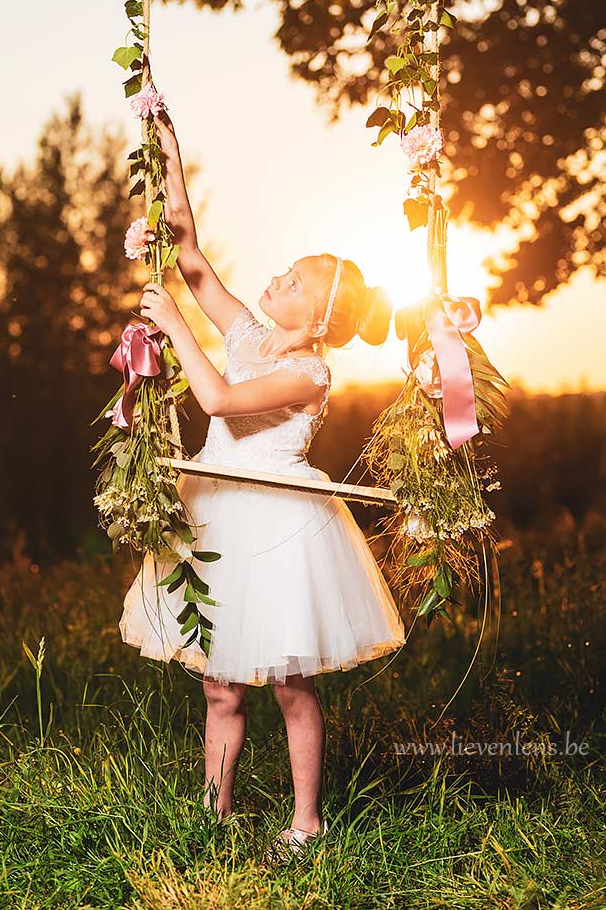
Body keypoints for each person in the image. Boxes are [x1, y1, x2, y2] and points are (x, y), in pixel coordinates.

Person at [118, 110, 406, 863]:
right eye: (286, 268)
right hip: (217, 521)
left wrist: (176, 328)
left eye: (295, 283)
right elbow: (189, 256)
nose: (277, 278)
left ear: (316, 321)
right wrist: (169, 149)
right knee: (220, 685)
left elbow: (215, 400)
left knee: (287, 684)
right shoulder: (247, 332)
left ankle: (304, 825)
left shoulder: (307, 374)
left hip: (279, 529)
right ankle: (214, 818)